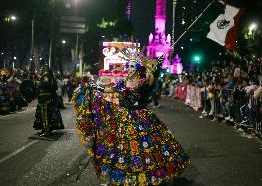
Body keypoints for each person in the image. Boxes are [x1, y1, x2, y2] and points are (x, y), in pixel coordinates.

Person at [73, 51, 190, 185]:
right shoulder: (123, 83)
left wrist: (158, 63)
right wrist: (95, 86)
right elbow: (109, 90)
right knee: (120, 148)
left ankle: (146, 177)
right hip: (123, 116)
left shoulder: (145, 81)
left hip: (142, 118)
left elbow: (154, 76)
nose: (129, 70)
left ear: (138, 69)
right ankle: (123, 177)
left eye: (132, 68)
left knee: (143, 149)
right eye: (128, 67)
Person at [33, 64, 64, 137]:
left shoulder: (46, 76)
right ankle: (46, 129)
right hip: (45, 98)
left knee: (45, 116)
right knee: (46, 115)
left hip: (45, 99)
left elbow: (46, 83)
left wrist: (38, 83)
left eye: (42, 69)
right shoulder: (48, 76)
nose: (40, 70)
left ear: (45, 69)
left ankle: (46, 131)